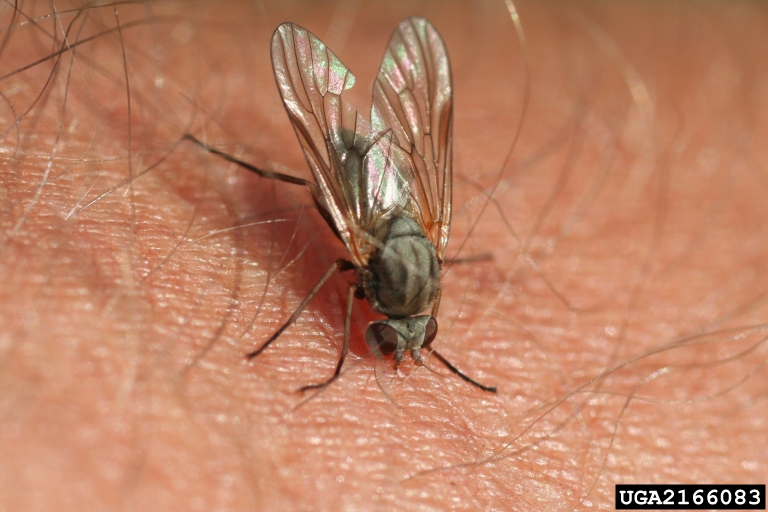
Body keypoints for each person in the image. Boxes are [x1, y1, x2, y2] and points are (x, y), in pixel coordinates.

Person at [1, 1, 764, 509]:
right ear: (410, 307)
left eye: (400, 339)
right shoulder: (364, 262)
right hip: (373, 200)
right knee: (309, 174)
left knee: (402, 147)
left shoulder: (432, 245)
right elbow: (343, 257)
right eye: (406, 339)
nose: (404, 349)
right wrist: (333, 358)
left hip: (408, 205)